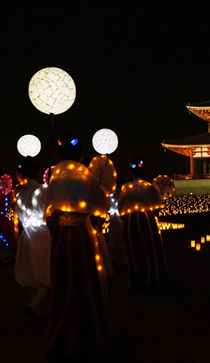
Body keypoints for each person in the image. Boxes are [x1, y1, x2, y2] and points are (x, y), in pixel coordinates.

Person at [44, 130, 116, 360]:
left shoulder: (55, 175)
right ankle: (87, 330)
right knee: (85, 280)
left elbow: (49, 212)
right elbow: (100, 203)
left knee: (64, 280)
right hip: (82, 236)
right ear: (82, 155)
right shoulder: (84, 175)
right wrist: (91, 224)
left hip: (62, 237)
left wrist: (56, 228)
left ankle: (62, 329)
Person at [118, 157, 168, 292]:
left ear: (131, 173)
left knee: (134, 252)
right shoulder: (151, 188)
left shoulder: (126, 188)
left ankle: (137, 282)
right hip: (148, 220)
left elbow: (120, 208)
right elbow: (158, 207)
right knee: (152, 251)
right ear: (144, 172)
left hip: (131, 221)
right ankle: (155, 280)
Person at [14, 156, 51, 324]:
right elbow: (49, 212)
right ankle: (32, 307)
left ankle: (35, 309)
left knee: (33, 273)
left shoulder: (20, 192)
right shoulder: (42, 190)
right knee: (47, 274)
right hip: (40, 233)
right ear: (38, 172)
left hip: (26, 233)